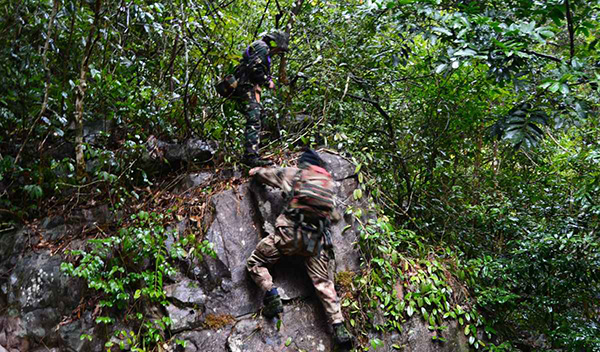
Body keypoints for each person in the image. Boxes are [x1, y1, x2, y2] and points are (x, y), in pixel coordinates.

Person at [246, 149, 353, 347]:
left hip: (287, 237)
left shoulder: (296, 174)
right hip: (312, 244)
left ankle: (271, 295)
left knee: (255, 262)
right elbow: (335, 216)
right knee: (323, 282)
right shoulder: (327, 186)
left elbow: (267, 175)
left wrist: (255, 171)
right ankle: (339, 326)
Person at [233, 30, 289, 167]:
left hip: (248, 87)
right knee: (254, 118)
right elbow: (254, 68)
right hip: (245, 87)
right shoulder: (262, 47)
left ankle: (254, 151)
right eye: (279, 49)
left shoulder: (262, 48)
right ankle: (250, 157)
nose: (278, 52)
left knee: (259, 116)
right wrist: (266, 81)